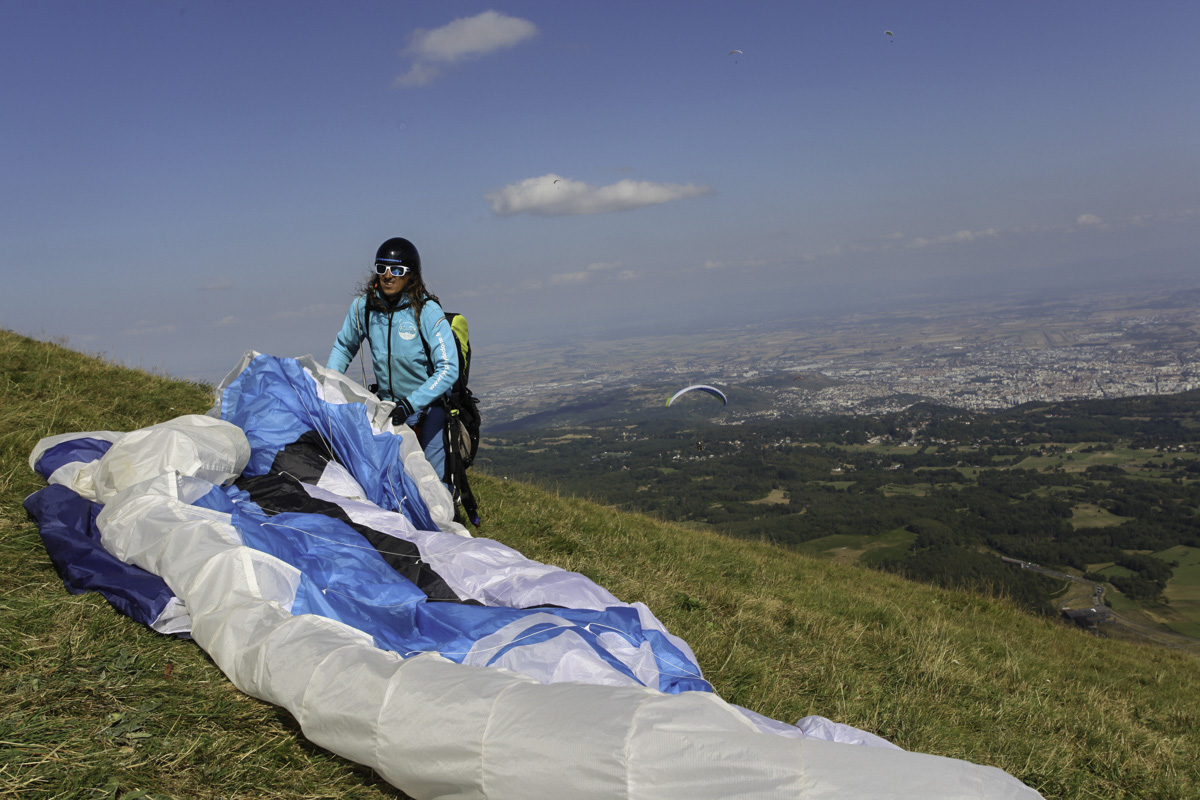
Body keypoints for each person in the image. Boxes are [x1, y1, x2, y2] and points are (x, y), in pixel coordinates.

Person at [328, 237, 459, 488]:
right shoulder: (363, 308)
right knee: (393, 479)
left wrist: (411, 405)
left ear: (411, 276)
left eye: (397, 270)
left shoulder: (427, 310)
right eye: (382, 268)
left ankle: (443, 523)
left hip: (427, 409)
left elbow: (448, 367)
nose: (388, 276)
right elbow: (344, 347)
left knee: (433, 481)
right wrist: (329, 386)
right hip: (388, 408)